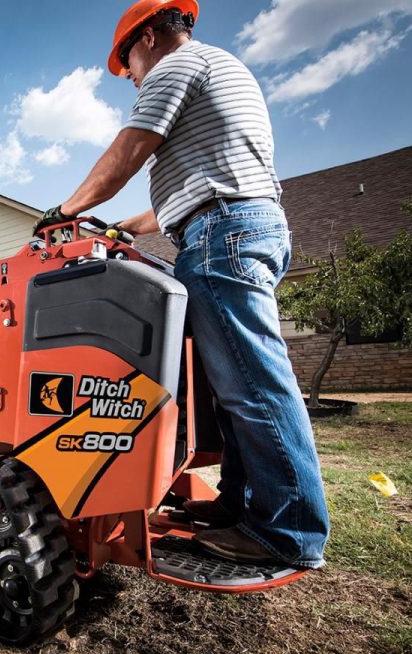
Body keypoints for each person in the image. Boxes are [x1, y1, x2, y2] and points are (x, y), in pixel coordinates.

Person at [34, 0, 329, 569]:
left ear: (146, 38)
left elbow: (128, 151)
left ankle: (288, 532)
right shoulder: (220, 67)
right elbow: (186, 194)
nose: (132, 81)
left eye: (128, 68)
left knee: (253, 384)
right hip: (240, 225)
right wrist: (125, 225)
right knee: (228, 382)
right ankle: (243, 507)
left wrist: (65, 210)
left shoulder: (174, 67)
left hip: (223, 235)